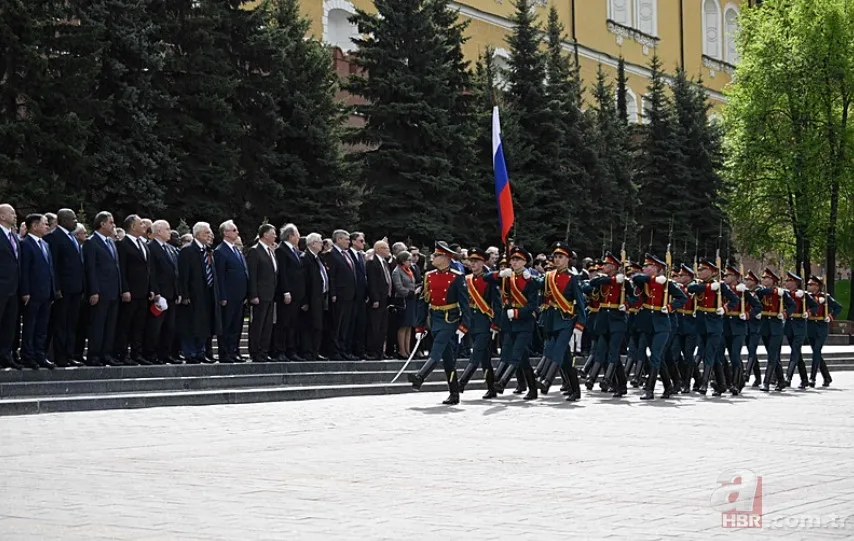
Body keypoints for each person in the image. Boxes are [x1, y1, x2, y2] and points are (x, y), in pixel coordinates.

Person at [408, 241, 471, 405]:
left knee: (438, 346)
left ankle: (421, 376)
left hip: (450, 319)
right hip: (435, 318)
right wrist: (419, 326)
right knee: (448, 359)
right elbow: (423, 302)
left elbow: (465, 304)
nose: (433, 257)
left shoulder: (457, 277)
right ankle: (454, 393)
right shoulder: (429, 276)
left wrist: (464, 325)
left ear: (446, 258)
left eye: (437, 255)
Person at [485, 247, 541, 399]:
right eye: (513, 260)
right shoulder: (506, 276)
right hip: (508, 322)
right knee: (513, 353)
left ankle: (502, 382)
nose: (515, 262)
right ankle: (533, 389)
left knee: (516, 354)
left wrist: (516, 312)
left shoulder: (529, 279)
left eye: (518, 260)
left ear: (524, 262)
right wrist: (500, 273)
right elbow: (486, 277)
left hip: (524, 322)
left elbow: (532, 305)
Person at [630, 254, 687, 400]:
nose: (644, 268)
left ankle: (649, 389)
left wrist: (669, 307)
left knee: (655, 355)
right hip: (647, 323)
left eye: (648, 266)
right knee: (658, 357)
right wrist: (653, 279)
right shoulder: (644, 280)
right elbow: (636, 278)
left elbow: (682, 298)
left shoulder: (668, 284)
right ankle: (668, 386)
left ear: (656, 268)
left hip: (662, 324)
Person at [687, 259, 739, 396]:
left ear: (711, 272)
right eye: (699, 270)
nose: (700, 272)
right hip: (701, 324)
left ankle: (704, 383)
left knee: (710, 353)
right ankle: (722, 385)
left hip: (715, 324)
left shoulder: (721, 286)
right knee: (709, 354)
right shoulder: (697, 283)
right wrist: (709, 288)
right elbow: (691, 289)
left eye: (703, 270)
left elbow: (735, 299)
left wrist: (725, 309)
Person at [457, 248, 501, 398]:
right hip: (472, 322)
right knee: (485, 358)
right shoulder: (467, 279)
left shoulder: (489, 279)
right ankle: (491, 387)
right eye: (471, 261)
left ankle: (461, 383)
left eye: (476, 261)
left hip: (485, 322)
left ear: (483, 263)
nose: (473, 264)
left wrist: (496, 323)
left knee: (476, 353)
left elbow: (497, 303)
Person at [44, 208, 85, 368]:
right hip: (63, 289)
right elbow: (54, 265)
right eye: (73, 218)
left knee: (71, 323)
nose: (75, 221)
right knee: (61, 324)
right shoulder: (54, 238)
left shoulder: (72, 238)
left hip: (76, 288)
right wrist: (57, 288)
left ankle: (69, 354)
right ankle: (60, 356)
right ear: (64, 220)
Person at [114, 214, 156, 365]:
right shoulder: (123, 244)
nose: (144, 226)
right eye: (141, 224)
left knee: (139, 325)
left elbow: (147, 269)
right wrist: (124, 289)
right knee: (126, 324)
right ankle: (122, 353)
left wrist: (151, 288)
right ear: (132, 226)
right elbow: (122, 269)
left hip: (143, 292)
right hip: (130, 292)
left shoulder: (143, 244)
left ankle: (137, 354)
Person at [176, 222, 220, 364]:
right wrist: (185, 294)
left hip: (207, 293)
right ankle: (190, 352)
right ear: (199, 234)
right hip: (193, 295)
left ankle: (201, 351)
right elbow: (183, 275)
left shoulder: (207, 251)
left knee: (204, 324)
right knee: (190, 324)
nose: (210, 236)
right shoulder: (187, 251)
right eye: (207, 233)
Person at [83, 211, 122, 366]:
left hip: (113, 291)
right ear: (102, 224)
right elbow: (90, 269)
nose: (113, 225)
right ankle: (94, 355)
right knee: (98, 325)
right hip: (100, 291)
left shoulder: (111, 242)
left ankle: (106, 353)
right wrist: (94, 290)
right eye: (111, 222)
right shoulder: (91, 242)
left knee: (110, 325)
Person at [19, 214, 56, 370]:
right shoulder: (26, 244)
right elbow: (25, 270)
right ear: (34, 226)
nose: (47, 227)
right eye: (44, 224)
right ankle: (28, 356)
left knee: (42, 327)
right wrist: (25, 291)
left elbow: (50, 270)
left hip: (46, 292)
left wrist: (53, 290)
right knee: (30, 325)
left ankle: (40, 355)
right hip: (33, 293)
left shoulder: (45, 244)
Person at [145, 220, 180, 364]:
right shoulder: (151, 247)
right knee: (155, 326)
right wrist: (156, 291)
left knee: (169, 327)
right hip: (160, 295)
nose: (170, 232)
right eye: (167, 229)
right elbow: (151, 272)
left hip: (171, 294)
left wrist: (178, 292)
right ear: (158, 231)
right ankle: (152, 354)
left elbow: (175, 272)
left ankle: (166, 353)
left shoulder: (170, 248)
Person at [754, 268, 795, 392]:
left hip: (776, 326)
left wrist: (785, 313)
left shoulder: (781, 293)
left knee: (772, 355)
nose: (764, 280)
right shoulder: (760, 291)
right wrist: (775, 291)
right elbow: (761, 293)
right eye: (763, 278)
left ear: (773, 280)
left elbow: (793, 305)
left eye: (767, 278)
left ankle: (766, 382)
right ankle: (781, 381)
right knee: (773, 355)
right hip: (765, 325)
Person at [214, 220, 248, 363]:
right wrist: (222, 295)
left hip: (240, 295)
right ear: (226, 233)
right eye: (234, 230)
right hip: (228, 295)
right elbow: (220, 276)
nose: (237, 232)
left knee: (237, 326)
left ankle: (234, 350)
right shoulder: (220, 251)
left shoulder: (236, 250)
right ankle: (225, 353)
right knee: (227, 325)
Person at [246, 224, 278, 363]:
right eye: (273, 233)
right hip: (259, 296)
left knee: (267, 325)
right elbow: (252, 274)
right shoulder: (255, 251)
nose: (275, 236)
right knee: (258, 325)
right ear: (265, 234)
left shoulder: (270, 251)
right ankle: (255, 351)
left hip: (270, 295)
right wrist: (253, 295)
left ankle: (264, 351)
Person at [274, 223, 306, 362]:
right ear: (291, 236)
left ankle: (291, 349)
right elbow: (283, 273)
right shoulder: (281, 250)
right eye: (297, 234)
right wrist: (286, 291)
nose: (299, 237)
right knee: (284, 323)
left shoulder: (293, 251)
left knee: (293, 324)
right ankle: (280, 350)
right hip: (287, 294)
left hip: (297, 294)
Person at [783, 271, 817, 389]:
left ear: (795, 283)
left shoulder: (803, 295)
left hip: (800, 326)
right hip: (789, 326)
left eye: (789, 281)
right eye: (786, 280)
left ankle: (788, 377)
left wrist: (808, 312)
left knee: (795, 351)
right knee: (798, 354)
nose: (786, 283)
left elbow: (814, 306)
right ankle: (804, 379)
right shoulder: (785, 294)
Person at [806, 275, 842, 387]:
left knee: (816, 351)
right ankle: (827, 377)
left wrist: (830, 316)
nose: (809, 286)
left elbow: (838, 307)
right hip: (810, 326)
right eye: (808, 284)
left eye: (811, 284)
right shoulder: (806, 297)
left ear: (818, 286)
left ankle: (812, 378)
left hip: (822, 326)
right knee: (816, 353)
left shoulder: (825, 297)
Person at [326, 229, 357, 360]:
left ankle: (343, 349)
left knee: (345, 324)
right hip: (339, 294)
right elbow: (331, 276)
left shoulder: (347, 254)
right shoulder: (331, 254)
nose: (348, 242)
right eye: (346, 239)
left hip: (350, 294)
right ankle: (334, 350)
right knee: (337, 324)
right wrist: (333, 293)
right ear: (338, 240)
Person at [300, 233, 328, 361]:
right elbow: (304, 281)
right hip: (310, 298)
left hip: (320, 297)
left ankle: (315, 351)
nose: (322, 244)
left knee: (318, 325)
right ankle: (307, 351)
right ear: (312, 244)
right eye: (319, 242)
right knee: (309, 326)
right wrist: (304, 300)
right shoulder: (305, 258)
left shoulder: (318, 258)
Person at [365, 240, 392, 359]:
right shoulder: (372, 263)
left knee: (382, 326)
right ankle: (372, 350)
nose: (388, 251)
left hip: (385, 297)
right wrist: (375, 298)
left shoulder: (384, 262)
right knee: (374, 326)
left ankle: (380, 350)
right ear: (379, 249)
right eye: (386, 248)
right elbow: (372, 282)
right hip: (377, 298)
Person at [392, 250, 418, 360]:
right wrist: (411, 292)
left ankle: (408, 350)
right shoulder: (397, 271)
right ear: (402, 261)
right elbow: (399, 287)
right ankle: (402, 350)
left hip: (411, 300)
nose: (410, 263)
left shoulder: (409, 270)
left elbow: (412, 283)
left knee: (409, 326)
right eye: (408, 260)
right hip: (402, 300)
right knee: (403, 325)